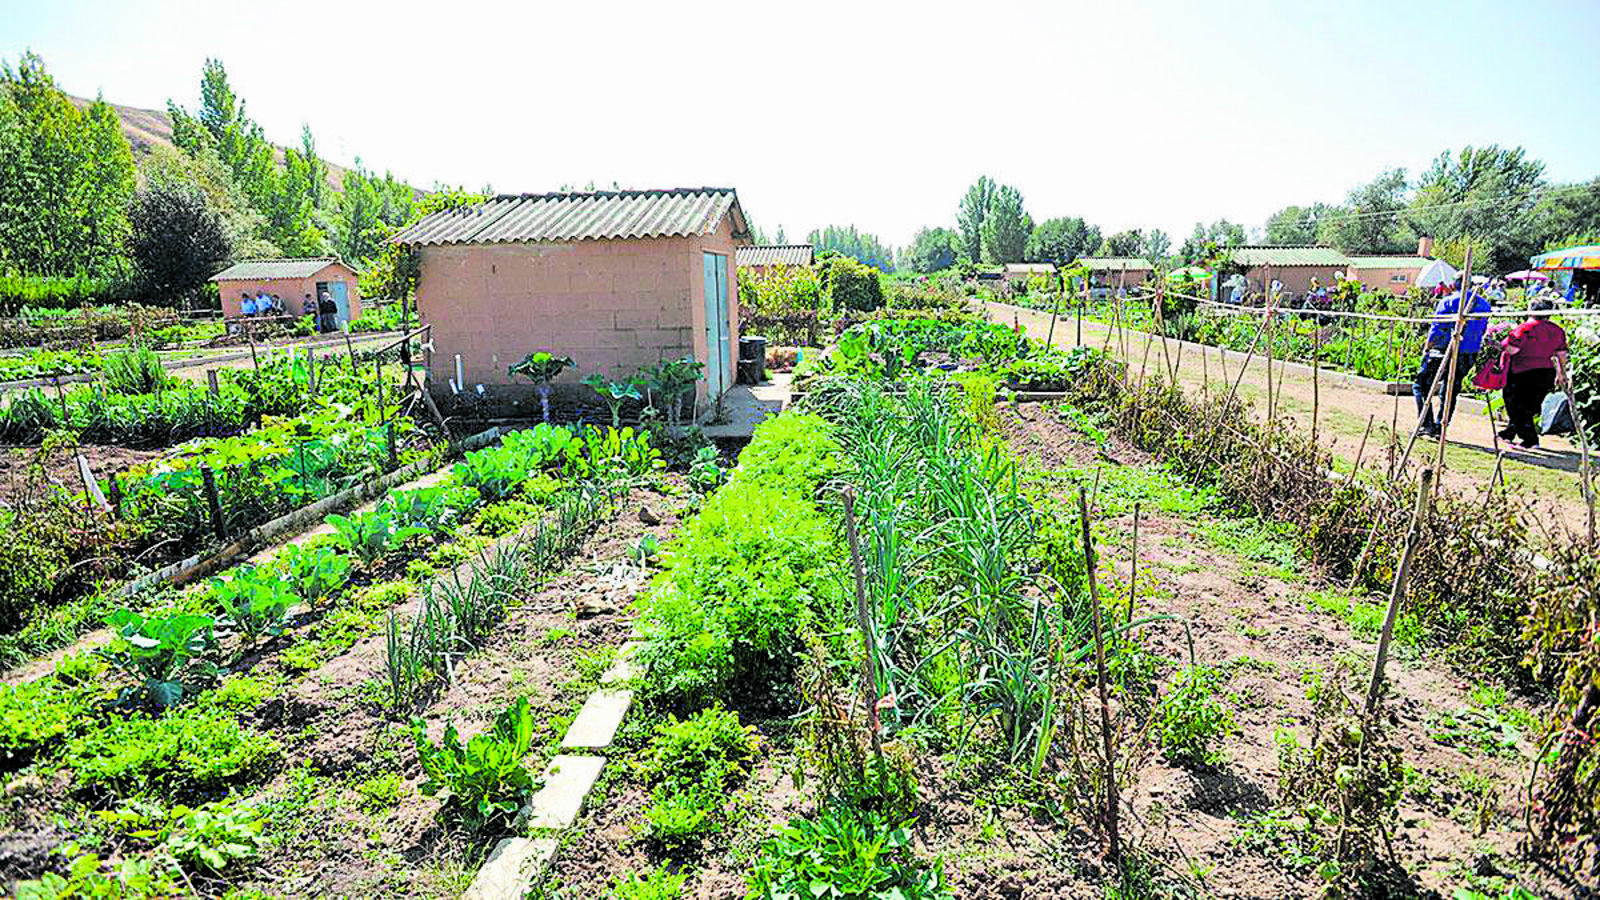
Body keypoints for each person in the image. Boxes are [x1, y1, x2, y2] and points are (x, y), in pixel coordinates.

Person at [1413, 276, 1491, 437]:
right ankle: (1441, 426)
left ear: (1453, 284)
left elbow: (1436, 328)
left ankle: (1427, 424)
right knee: (1451, 389)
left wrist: (1427, 347)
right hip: (1469, 352)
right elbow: (1483, 329)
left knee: (1421, 385)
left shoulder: (1448, 302)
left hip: (1444, 350)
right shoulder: (1484, 304)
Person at [1500, 297, 1570, 449]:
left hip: (1522, 371)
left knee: (1515, 404)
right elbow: (1562, 354)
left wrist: (1497, 345)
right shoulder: (1557, 330)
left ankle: (1530, 440)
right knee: (1530, 406)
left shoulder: (1525, 328)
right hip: (1546, 372)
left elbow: (1512, 350)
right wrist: (1561, 373)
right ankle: (1509, 432)